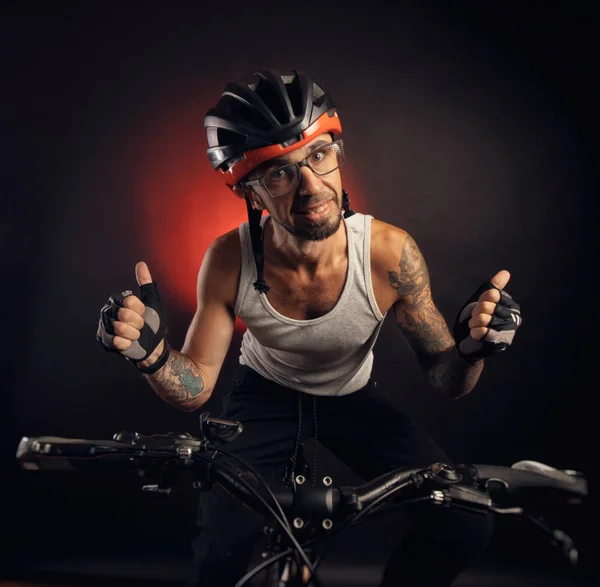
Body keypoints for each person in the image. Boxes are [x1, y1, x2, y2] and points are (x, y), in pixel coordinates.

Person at [97, 69, 522, 587]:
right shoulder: (230, 259)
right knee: (219, 559)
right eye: (279, 173)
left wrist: (474, 350)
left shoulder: (389, 254)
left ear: (337, 151)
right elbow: (197, 387)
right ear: (248, 191)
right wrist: (152, 356)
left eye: (319, 156)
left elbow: (446, 379)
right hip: (264, 397)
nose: (311, 187)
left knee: (462, 524)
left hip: (353, 396)